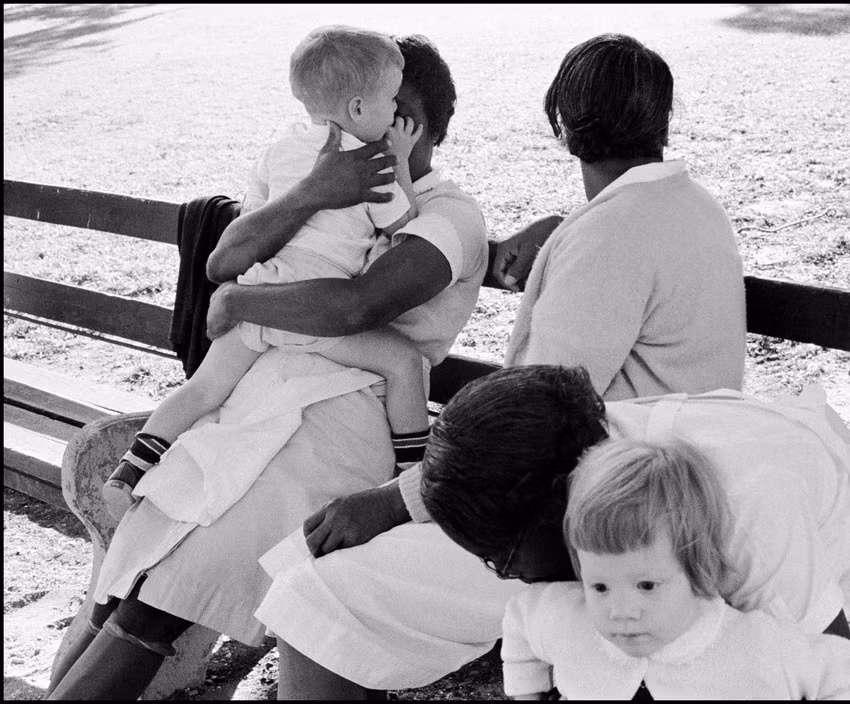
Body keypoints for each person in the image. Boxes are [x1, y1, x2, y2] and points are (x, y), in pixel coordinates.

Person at [249, 33, 748, 699]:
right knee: (317, 570)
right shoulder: (688, 207)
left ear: (560, 126)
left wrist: (394, 501)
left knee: (318, 591)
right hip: (655, 486)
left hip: (593, 522)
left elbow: (533, 426)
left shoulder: (610, 234)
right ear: (663, 119)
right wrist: (562, 234)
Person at [46, 34, 488, 700]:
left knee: (172, 586)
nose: (342, 129)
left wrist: (243, 302)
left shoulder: (449, 215)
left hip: (344, 418)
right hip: (253, 398)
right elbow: (221, 259)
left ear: (412, 125)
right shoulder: (325, 175)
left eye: (368, 114)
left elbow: (356, 306)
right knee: (137, 564)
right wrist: (313, 191)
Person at [422, 365, 850, 699]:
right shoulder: (589, 449)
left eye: (505, 558)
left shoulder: (743, 502)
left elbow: (826, 675)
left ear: (557, 499)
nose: (515, 578)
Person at [102, 26, 430, 521]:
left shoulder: (279, 149)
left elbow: (252, 220)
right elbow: (404, 224)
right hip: (310, 310)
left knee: (202, 390)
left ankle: (128, 470)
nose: (394, 112)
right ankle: (414, 476)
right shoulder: (374, 162)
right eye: (389, 99)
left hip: (258, 293)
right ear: (360, 109)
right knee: (404, 363)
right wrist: (401, 160)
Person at [502, 435, 850, 700]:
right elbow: (521, 619)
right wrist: (526, 691)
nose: (620, 611)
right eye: (599, 586)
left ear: (697, 568)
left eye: (646, 586)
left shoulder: (757, 647)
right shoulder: (569, 623)